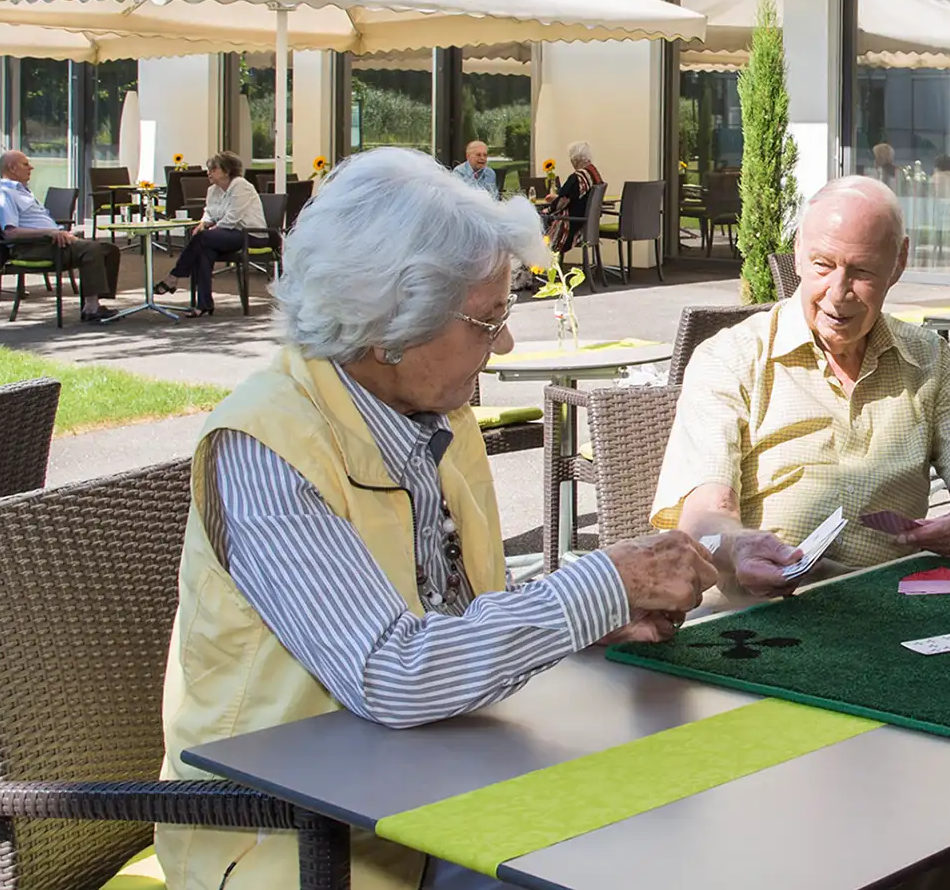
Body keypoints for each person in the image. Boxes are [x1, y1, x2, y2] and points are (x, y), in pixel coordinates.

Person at [157, 148, 718, 890]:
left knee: (673, 829)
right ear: (388, 325)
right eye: (488, 321)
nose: (507, 344)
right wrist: (600, 586)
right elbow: (392, 674)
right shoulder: (263, 444)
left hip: (431, 791)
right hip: (297, 842)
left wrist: (594, 618)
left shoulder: (435, 411)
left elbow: (455, 615)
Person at [650, 176, 950, 597]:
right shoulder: (731, 358)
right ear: (798, 252)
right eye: (822, 265)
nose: (838, 294)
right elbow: (702, 517)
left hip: (889, 606)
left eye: (862, 272)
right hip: (759, 616)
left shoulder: (928, 359)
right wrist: (737, 546)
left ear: (898, 264)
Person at [0, 150, 125, 325]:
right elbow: (10, 232)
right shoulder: (4, 195)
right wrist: (49, 233)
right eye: (25, 164)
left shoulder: (22, 192)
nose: (31, 167)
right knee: (92, 249)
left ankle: (94, 300)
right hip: (33, 248)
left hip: (52, 243)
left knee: (109, 249)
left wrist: (61, 232)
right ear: (12, 168)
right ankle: (91, 308)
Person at [154, 151, 266, 317]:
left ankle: (174, 276)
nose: (209, 172)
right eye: (209, 169)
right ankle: (204, 304)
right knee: (205, 250)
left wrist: (212, 230)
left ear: (227, 171)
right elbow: (209, 212)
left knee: (202, 238)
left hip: (250, 235)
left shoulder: (241, 186)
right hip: (227, 234)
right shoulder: (213, 190)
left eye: (213, 169)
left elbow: (233, 217)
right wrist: (203, 222)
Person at [539, 140, 604, 253]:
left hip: (572, 227)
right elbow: (571, 198)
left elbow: (561, 203)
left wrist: (548, 208)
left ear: (575, 159)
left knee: (538, 220)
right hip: (586, 224)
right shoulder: (595, 174)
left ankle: (536, 264)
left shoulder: (577, 177)